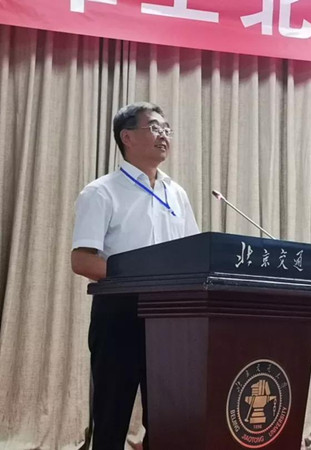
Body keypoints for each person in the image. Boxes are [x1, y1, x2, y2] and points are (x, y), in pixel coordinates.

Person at [71, 102, 199, 449]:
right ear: (126, 137)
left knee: (169, 417)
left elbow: (192, 252)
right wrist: (140, 274)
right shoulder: (101, 191)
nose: (164, 136)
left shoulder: (176, 193)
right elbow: (82, 260)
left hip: (171, 318)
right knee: (112, 416)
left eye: (167, 129)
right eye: (155, 127)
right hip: (120, 314)